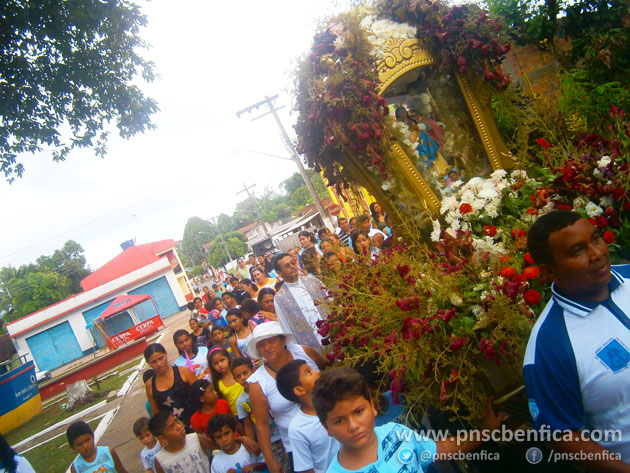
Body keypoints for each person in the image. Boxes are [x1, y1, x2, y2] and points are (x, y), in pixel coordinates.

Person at [524, 210, 630, 468]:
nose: (596, 254)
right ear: (550, 271)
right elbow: (561, 435)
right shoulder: (549, 345)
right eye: (577, 251)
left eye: (595, 239)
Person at [312, 367, 504, 473]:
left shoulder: (396, 433)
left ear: (372, 406)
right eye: (339, 421)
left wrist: (485, 432)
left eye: (358, 411)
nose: (353, 426)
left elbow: (442, 449)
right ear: (326, 427)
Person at [246, 322, 325, 473]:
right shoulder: (258, 384)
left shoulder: (305, 353)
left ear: (282, 340)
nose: (267, 347)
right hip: (296, 446)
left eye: (271, 341)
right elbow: (262, 425)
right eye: (262, 345)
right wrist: (270, 461)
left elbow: (326, 370)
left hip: (331, 426)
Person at [276, 360, 340, 473]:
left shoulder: (338, 402)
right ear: (299, 390)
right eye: (308, 372)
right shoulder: (298, 429)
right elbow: (305, 468)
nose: (317, 372)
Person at [272, 253, 329, 349]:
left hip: (334, 335)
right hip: (310, 348)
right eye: (287, 266)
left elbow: (331, 301)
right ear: (279, 273)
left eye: (293, 263)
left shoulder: (313, 282)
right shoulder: (280, 299)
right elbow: (286, 329)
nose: (292, 267)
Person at [144, 343, 197, 430]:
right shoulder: (150, 385)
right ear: (148, 363)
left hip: (196, 424)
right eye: (154, 362)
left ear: (166, 354)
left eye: (161, 358)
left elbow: (200, 395)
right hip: (173, 432)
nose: (159, 364)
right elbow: (156, 416)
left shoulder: (183, 372)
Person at [208, 347, 244, 416]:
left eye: (222, 360)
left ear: (228, 358)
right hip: (237, 415)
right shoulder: (217, 384)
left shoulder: (239, 373)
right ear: (212, 366)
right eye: (216, 363)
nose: (220, 365)